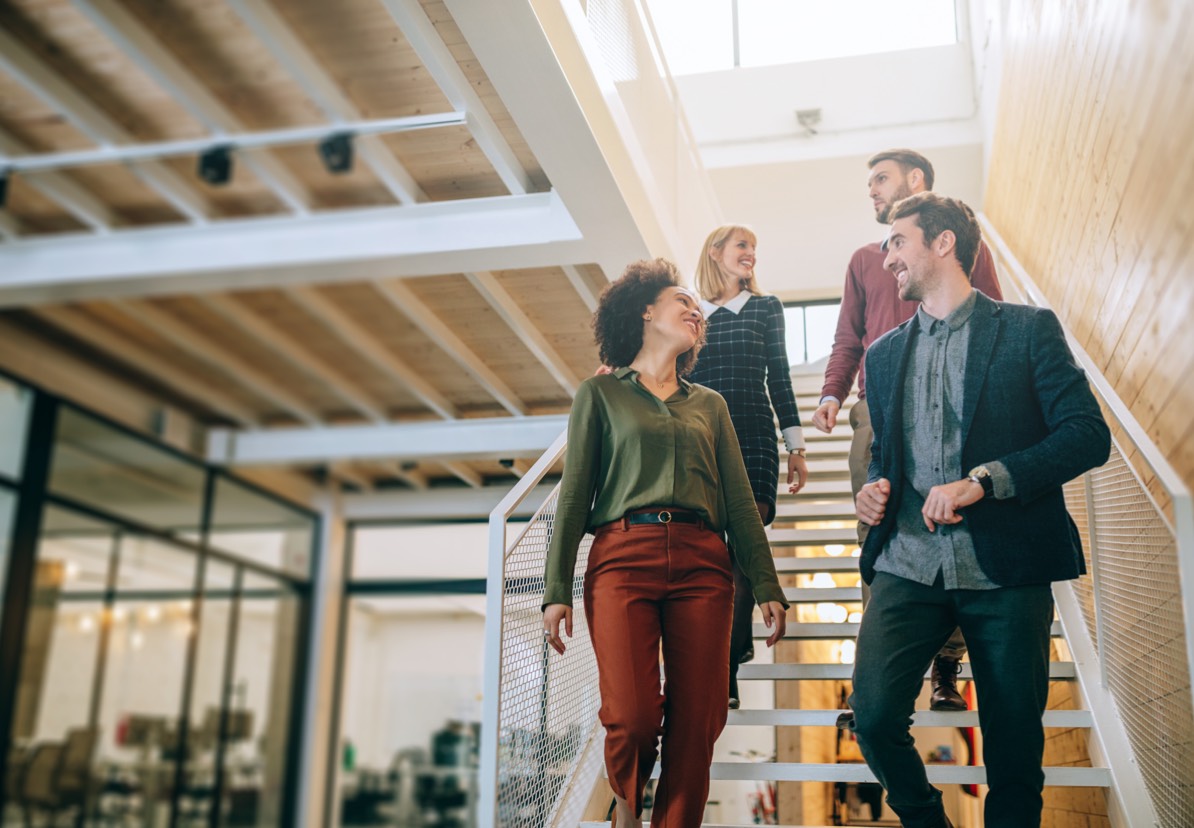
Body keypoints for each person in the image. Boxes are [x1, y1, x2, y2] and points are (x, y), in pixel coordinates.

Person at [847, 192, 1110, 827]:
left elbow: (1086, 434)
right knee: (876, 716)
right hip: (907, 563)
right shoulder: (881, 357)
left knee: (1014, 745)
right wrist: (874, 486)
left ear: (943, 244)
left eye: (898, 243)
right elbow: (887, 455)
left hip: (1008, 568)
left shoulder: (1027, 330)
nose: (887, 261)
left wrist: (985, 481)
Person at [542, 259, 789, 828]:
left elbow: (739, 502)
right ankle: (627, 806)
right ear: (646, 311)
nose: (695, 310)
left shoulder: (711, 405)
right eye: (683, 300)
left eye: (697, 307)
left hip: (705, 565)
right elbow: (574, 496)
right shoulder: (600, 394)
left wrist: (767, 581)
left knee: (698, 721)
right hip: (622, 559)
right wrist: (555, 588)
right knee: (631, 716)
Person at [813, 149, 1004, 711]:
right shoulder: (863, 260)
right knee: (876, 537)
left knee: (955, 531)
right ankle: (871, 675)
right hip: (878, 413)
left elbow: (992, 316)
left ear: (915, 180)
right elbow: (849, 335)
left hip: (957, 411)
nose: (871, 190)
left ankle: (946, 668)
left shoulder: (965, 248)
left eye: (881, 179)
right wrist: (831, 391)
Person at [687, 224, 808, 709]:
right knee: (712, 558)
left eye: (754, 248)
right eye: (742, 246)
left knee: (739, 556)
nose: (751, 254)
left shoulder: (765, 308)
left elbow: (778, 375)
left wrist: (795, 446)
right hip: (701, 441)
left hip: (755, 438)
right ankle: (721, 659)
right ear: (715, 252)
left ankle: (726, 669)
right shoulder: (691, 313)